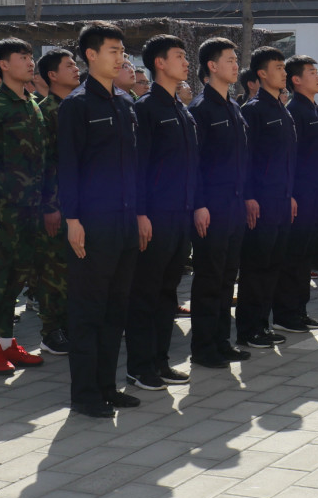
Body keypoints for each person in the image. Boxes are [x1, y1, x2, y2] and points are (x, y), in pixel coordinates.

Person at [58, 21, 142, 418]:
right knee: (88, 312)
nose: (120, 57)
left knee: (115, 311)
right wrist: (72, 219)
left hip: (125, 222)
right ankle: (85, 393)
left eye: (122, 50)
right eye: (113, 50)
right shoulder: (77, 105)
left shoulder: (125, 103)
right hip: (92, 224)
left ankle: (108, 386)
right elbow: (68, 166)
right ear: (90, 55)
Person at [0, 38, 48, 375]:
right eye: (22, 57)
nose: (30, 62)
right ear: (3, 65)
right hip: (1, 211)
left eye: (31, 56)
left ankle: (6, 342)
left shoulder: (32, 103)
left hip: (30, 209)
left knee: (17, 278)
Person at [126, 34, 197, 390]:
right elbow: (138, 167)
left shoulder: (180, 108)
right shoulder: (146, 108)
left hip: (181, 215)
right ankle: (140, 367)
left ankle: (161, 361)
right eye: (179, 56)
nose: (186, 62)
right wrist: (140, 214)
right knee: (146, 293)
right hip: (155, 217)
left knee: (169, 291)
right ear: (159, 63)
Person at [188, 38, 251, 370]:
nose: (236, 65)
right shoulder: (200, 109)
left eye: (236, 59)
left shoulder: (233, 107)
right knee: (209, 279)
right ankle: (203, 347)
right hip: (212, 208)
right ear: (212, 66)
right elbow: (194, 163)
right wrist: (199, 204)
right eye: (229, 59)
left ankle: (221, 341)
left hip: (235, 205)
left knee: (227, 278)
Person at [237, 46, 297, 348]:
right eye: (278, 68)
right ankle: (249, 329)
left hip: (281, 199)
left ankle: (263, 324)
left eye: (284, 67)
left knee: (273, 264)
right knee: (256, 267)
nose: (284, 73)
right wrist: (249, 197)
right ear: (261, 73)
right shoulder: (253, 109)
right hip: (260, 202)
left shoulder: (281, 108)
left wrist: (290, 194)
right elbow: (247, 158)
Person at [275, 55, 318, 333]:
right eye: (311, 72)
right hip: (301, 195)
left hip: (317, 193)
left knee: (305, 257)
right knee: (294, 257)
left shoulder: (315, 109)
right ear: (296, 79)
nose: (317, 76)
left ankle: (299, 310)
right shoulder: (295, 110)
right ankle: (286, 314)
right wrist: (292, 193)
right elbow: (291, 157)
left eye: (317, 71)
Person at [33, 47, 80, 356]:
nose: (76, 69)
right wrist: (49, 206)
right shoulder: (46, 111)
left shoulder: (77, 106)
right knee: (54, 269)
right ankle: (51, 331)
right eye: (68, 65)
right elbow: (45, 162)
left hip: (80, 201)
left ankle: (72, 324)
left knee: (75, 268)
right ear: (52, 75)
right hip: (57, 204)